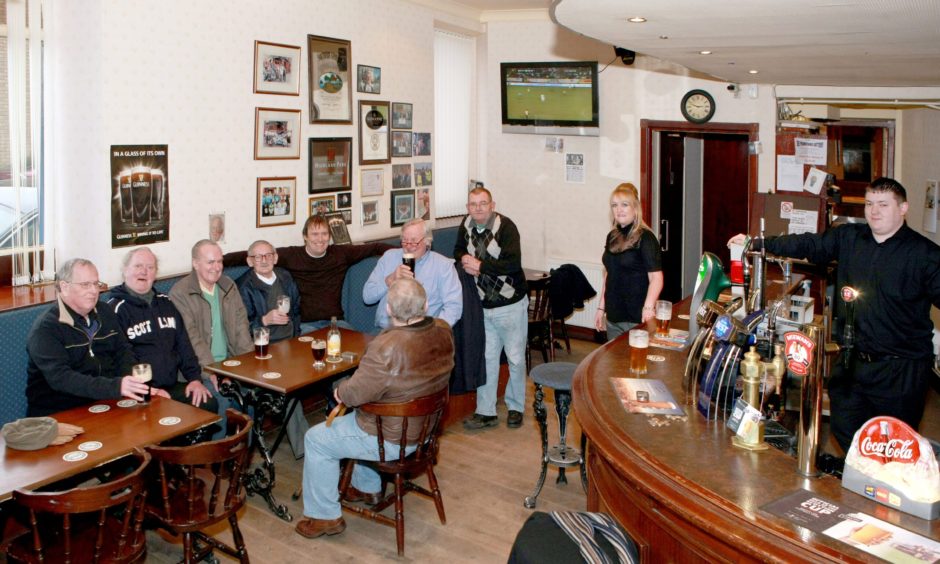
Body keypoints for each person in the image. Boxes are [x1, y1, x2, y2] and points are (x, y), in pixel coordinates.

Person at [728, 177, 940, 453]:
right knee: (846, 431)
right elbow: (809, 245)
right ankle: (857, 481)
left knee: (894, 448)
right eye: (870, 204)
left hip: (900, 370)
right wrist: (758, 243)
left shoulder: (925, 254)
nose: (874, 211)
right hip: (853, 363)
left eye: (883, 205)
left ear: (903, 209)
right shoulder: (850, 238)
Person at [294, 278, 454, 539]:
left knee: (316, 439)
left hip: (393, 439)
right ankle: (367, 487)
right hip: (426, 430)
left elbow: (353, 394)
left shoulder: (385, 347)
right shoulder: (443, 330)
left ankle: (324, 517)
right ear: (425, 305)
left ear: (389, 309)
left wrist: (341, 387)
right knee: (366, 416)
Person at [26, 258, 154, 416]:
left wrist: (132, 384)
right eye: (85, 285)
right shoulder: (46, 328)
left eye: (96, 284)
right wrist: (117, 386)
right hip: (59, 412)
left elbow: (123, 351)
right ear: (64, 287)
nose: (94, 291)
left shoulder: (105, 312)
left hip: (106, 403)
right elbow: (61, 378)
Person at [224, 215, 392, 333]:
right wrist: (218, 262)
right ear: (305, 236)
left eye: (325, 234)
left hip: (337, 323)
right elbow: (246, 255)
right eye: (315, 234)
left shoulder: (341, 253)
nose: (320, 239)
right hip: (306, 326)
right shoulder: (292, 255)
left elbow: (376, 247)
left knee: (359, 354)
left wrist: (405, 253)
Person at [455, 187, 528, 430]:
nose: (478, 208)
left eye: (483, 203)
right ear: (468, 207)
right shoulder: (465, 225)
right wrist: (464, 259)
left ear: (492, 205)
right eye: (473, 204)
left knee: (516, 359)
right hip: (482, 304)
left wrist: (481, 265)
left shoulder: (506, 227)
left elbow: (513, 262)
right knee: (487, 359)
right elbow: (457, 250)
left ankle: (516, 406)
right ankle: (485, 411)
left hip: (510, 303)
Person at [594, 183, 664, 341]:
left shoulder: (646, 238)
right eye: (614, 205)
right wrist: (600, 308)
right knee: (615, 364)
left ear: (635, 208)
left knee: (636, 364)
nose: (619, 209)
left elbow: (656, 278)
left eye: (624, 205)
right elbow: (609, 274)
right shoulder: (612, 236)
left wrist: (648, 308)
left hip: (636, 317)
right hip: (613, 315)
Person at [363, 218, 462, 330]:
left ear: (427, 241)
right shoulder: (389, 257)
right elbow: (367, 297)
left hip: (422, 333)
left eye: (414, 241)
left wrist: (434, 332)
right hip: (386, 330)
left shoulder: (443, 266)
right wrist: (389, 280)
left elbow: (454, 307)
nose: (409, 246)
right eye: (404, 241)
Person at [170, 240, 253, 367]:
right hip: (201, 368)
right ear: (195, 264)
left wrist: (249, 360)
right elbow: (191, 338)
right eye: (210, 262)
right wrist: (212, 371)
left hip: (231, 360)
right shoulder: (180, 293)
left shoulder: (228, 285)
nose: (217, 267)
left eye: (219, 261)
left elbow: (241, 326)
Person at [236, 240, 302, 342]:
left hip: (292, 339)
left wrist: (296, 337)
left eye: (268, 255)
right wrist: (264, 320)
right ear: (250, 261)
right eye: (258, 257)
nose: (264, 261)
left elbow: (297, 311)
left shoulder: (285, 276)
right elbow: (239, 328)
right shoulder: (243, 288)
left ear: (275, 258)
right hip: (264, 345)